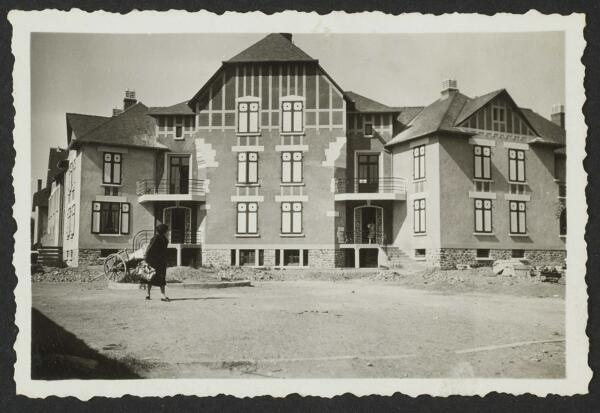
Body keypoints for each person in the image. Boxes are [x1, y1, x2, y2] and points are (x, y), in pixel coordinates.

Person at [144, 223, 170, 301]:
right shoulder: (156, 238)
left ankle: (162, 295)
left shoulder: (164, 238)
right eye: (167, 230)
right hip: (154, 261)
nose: (168, 232)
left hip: (161, 261)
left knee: (161, 278)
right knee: (151, 277)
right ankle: (148, 294)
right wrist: (146, 259)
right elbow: (149, 248)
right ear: (164, 231)